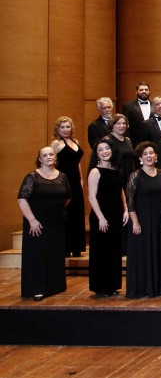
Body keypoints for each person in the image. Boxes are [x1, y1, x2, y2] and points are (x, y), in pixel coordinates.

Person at [17, 146, 70, 300]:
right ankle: (37, 287)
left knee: (54, 253)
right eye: (45, 155)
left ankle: (55, 286)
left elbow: (68, 197)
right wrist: (32, 220)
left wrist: (56, 210)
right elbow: (22, 199)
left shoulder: (62, 177)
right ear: (40, 159)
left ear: (55, 157)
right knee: (39, 254)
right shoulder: (32, 177)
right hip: (37, 222)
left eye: (51, 154)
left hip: (56, 222)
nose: (48, 157)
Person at [125, 142, 161, 298]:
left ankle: (158, 288)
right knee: (142, 253)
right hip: (141, 220)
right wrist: (135, 222)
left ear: (156, 156)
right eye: (145, 154)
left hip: (159, 219)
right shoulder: (135, 176)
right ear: (140, 158)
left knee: (158, 251)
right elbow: (130, 202)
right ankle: (142, 288)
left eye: (151, 153)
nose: (149, 156)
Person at [86, 140, 127, 296]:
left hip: (116, 214)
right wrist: (101, 218)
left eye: (107, 148)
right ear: (96, 154)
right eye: (101, 150)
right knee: (101, 251)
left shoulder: (116, 169)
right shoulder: (95, 172)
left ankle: (112, 285)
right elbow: (91, 197)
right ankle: (101, 287)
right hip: (101, 215)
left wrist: (125, 209)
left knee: (114, 251)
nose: (105, 152)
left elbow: (121, 191)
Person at [51, 117, 85, 258]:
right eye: (62, 127)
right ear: (58, 129)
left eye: (68, 127)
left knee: (77, 212)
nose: (65, 130)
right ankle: (65, 248)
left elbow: (77, 163)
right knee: (67, 213)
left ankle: (76, 247)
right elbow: (51, 163)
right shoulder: (56, 143)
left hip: (76, 182)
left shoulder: (75, 141)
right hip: (63, 181)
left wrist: (81, 179)